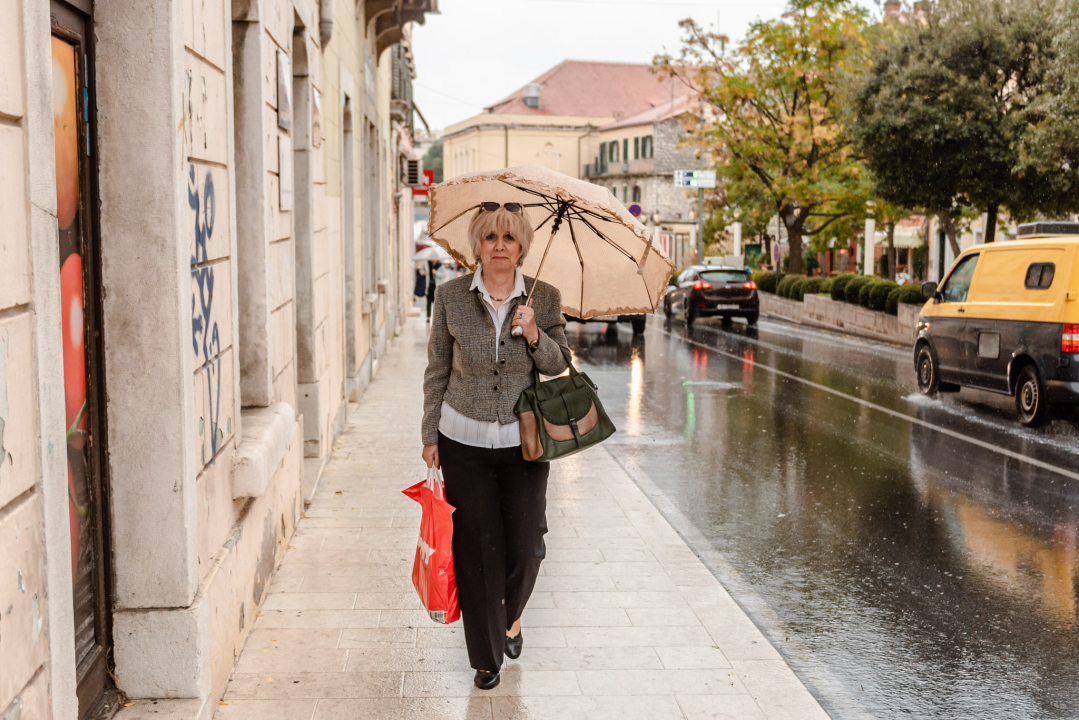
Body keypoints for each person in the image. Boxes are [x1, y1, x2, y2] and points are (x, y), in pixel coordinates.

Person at [421, 202, 569, 690]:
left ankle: (509, 616)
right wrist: (429, 435)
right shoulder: (450, 296)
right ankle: (486, 659)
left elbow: (558, 365)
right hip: (462, 440)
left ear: (522, 245)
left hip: (523, 444)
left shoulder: (545, 298)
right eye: (490, 237)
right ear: (477, 246)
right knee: (477, 549)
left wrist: (534, 333)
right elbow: (438, 369)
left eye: (509, 237)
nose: (500, 245)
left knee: (527, 547)